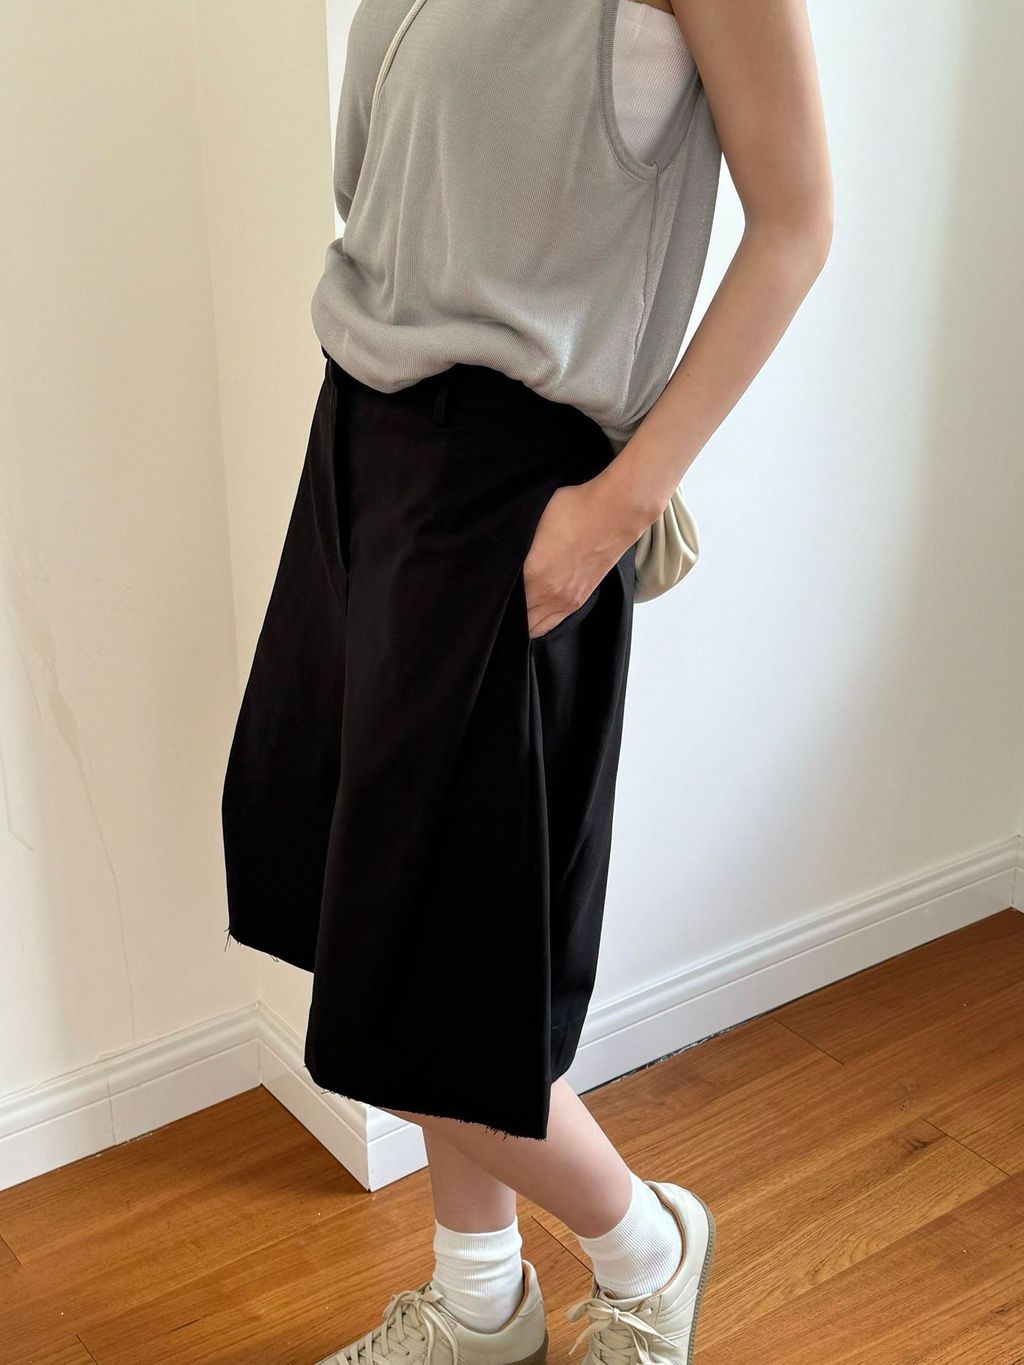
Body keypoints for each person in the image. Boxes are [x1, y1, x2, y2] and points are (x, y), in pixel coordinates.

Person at [220, 1, 833, 1362]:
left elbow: (797, 226)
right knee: (432, 941)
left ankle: (647, 1247)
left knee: (413, 980)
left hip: (505, 488)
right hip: (365, 447)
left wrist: (621, 505)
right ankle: (482, 1301)